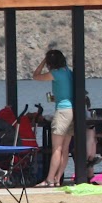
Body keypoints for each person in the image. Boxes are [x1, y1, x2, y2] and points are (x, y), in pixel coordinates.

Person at [32, 49, 75, 187]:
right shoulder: (69, 72)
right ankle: (57, 178)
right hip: (72, 111)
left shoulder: (55, 74)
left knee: (56, 148)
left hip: (62, 111)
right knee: (65, 148)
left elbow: (36, 76)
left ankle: (49, 179)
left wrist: (44, 61)